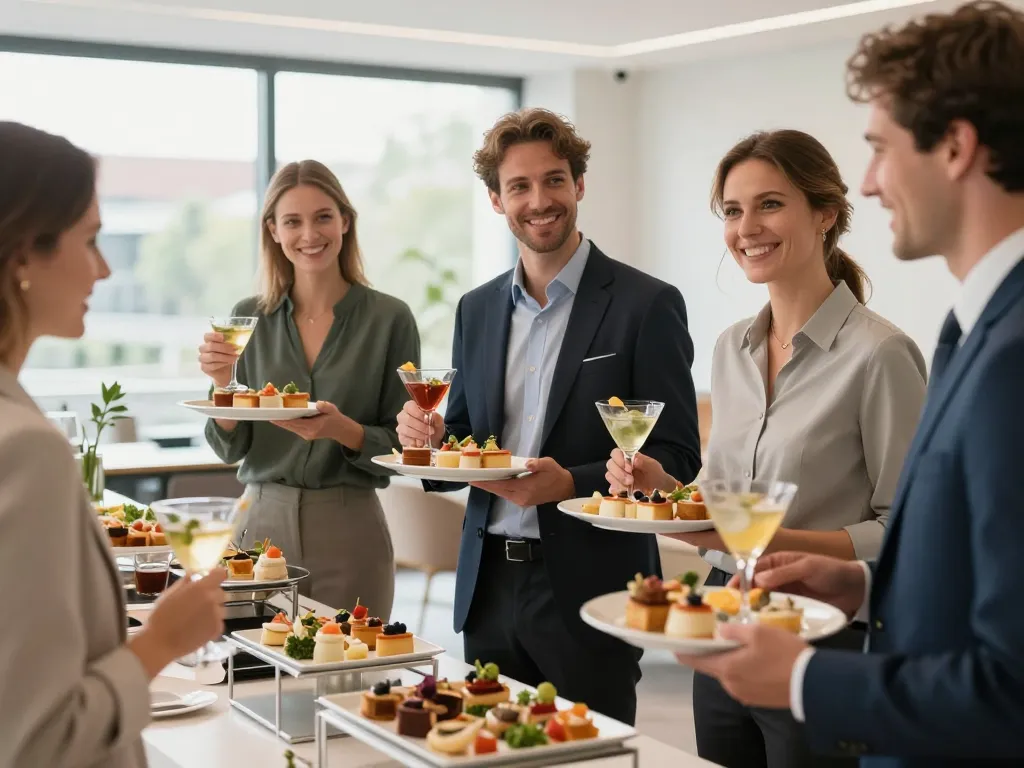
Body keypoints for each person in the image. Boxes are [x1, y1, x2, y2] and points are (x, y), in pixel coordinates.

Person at [675, 2, 1024, 765]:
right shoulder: (975, 331)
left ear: (957, 148)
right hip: (734, 618)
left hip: (845, 666)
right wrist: (863, 583)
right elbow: (943, 557)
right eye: (733, 210)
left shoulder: (955, 352)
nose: (869, 182)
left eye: (879, 148)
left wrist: (806, 675)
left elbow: (1007, 672)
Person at [606, 129, 927, 767]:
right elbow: (726, 499)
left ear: (826, 212)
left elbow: (906, 532)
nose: (747, 227)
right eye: (732, 210)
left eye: (770, 204)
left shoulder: (881, 354)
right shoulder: (731, 348)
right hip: (722, 622)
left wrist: (760, 541)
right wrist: (666, 489)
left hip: (824, 640)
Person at [396, 107, 702, 725]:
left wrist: (572, 481)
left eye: (555, 180)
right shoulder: (475, 309)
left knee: (594, 759)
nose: (540, 200)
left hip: (590, 586)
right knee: (492, 752)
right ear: (495, 199)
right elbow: (464, 437)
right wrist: (427, 442)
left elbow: (677, 456)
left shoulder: (647, 305)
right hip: (487, 590)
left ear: (579, 184)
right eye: (520, 186)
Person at [0, 121, 226, 767]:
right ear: (23, 254)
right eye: (91, 240)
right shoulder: (25, 451)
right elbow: (41, 739)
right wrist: (160, 641)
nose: (104, 268)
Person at [201, 160, 419, 615]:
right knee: (248, 669)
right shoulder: (249, 316)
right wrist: (223, 383)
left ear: (345, 220)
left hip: (350, 527)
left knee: (351, 673)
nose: (309, 234)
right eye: (292, 221)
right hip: (258, 523)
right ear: (273, 231)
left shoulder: (389, 319)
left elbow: (404, 446)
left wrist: (342, 430)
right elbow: (230, 446)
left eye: (322, 216)